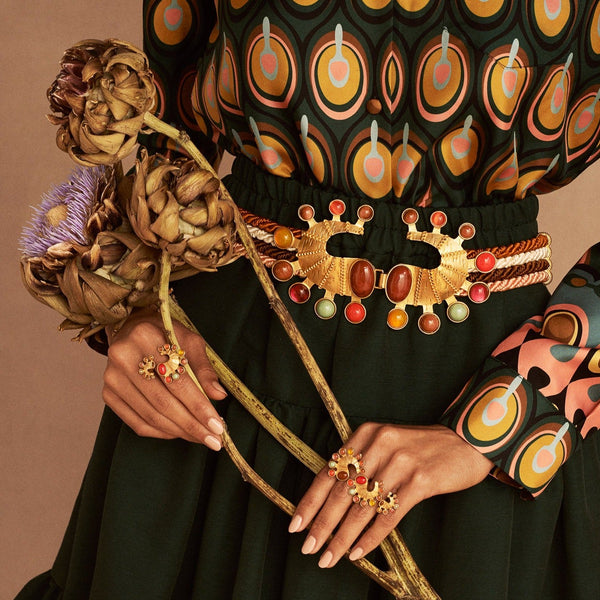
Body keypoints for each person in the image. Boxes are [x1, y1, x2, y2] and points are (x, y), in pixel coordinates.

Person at [16, 1, 600, 598]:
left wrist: (511, 416)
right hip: (225, 376)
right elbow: (165, 117)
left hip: (483, 401)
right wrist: (131, 309)